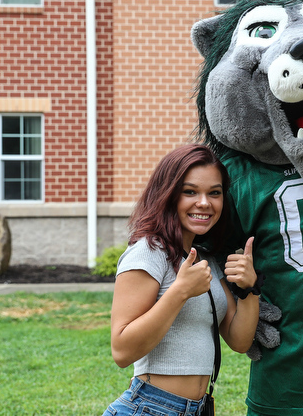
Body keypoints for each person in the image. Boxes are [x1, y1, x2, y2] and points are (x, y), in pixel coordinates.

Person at [102, 144, 260, 416]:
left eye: (215, 193)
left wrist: (249, 288)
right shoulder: (148, 252)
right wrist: (180, 292)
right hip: (151, 407)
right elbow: (122, 350)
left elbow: (239, 341)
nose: (204, 203)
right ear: (169, 195)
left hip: (197, 409)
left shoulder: (205, 259)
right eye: (190, 192)